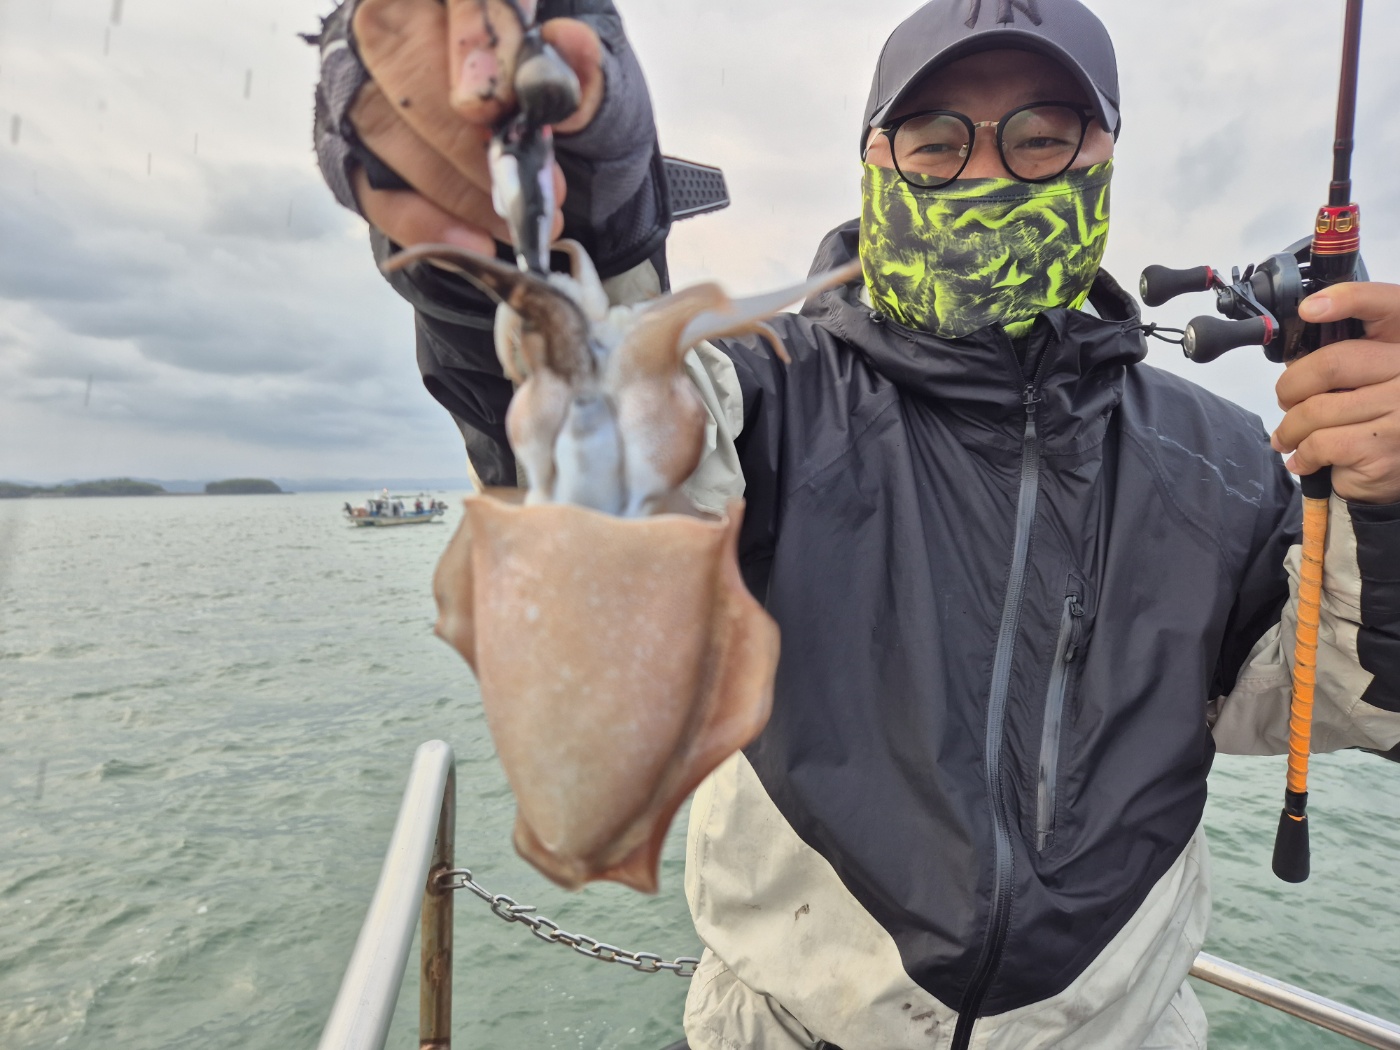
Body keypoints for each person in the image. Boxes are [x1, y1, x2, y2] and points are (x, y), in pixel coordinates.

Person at [309, 1, 1400, 1046]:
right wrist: (563, 226)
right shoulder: (766, 398)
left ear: (1103, 153)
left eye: (1040, 137)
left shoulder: (1219, 459)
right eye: (935, 142)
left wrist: (1386, 499)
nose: (985, 172)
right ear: (875, 159)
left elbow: (1344, 701)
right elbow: (603, 457)